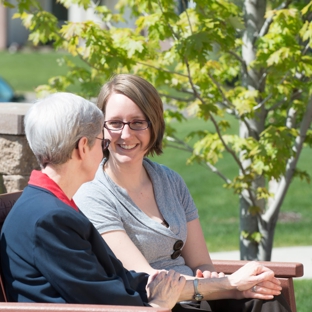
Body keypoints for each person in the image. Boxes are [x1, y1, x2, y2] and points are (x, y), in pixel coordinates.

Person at [74, 74, 291, 312]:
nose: (125, 134)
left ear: (154, 124)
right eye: (115, 123)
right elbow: (149, 282)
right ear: (101, 129)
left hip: (198, 296)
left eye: (137, 122)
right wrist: (229, 285)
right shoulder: (93, 194)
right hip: (151, 303)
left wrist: (229, 282)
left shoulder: (170, 181)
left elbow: (200, 262)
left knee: (267, 301)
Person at [0, 92, 185, 308]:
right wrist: (159, 305)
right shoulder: (49, 218)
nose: (104, 150)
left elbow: (106, 280)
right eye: (103, 142)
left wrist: (155, 284)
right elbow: (102, 299)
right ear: (82, 147)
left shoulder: (50, 205)